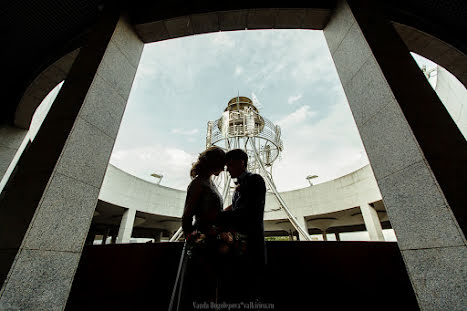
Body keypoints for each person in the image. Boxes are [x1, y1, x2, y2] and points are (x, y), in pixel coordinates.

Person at [216, 149, 267, 304]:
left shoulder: (255, 180)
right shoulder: (241, 185)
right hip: (240, 245)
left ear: (241, 162)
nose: (227, 169)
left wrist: (215, 217)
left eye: (229, 165)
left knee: (250, 289)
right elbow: (238, 207)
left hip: (251, 243)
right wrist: (226, 210)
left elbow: (246, 212)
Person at [181, 146, 226, 307]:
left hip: (214, 242)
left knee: (213, 287)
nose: (223, 168)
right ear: (214, 163)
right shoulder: (198, 184)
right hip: (203, 245)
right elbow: (186, 218)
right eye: (222, 164)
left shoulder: (210, 183)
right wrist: (197, 241)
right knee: (202, 288)